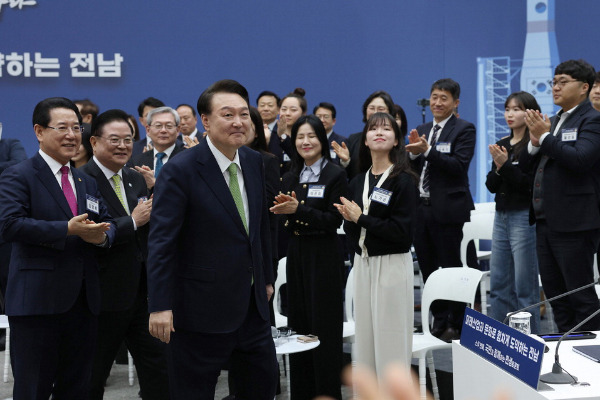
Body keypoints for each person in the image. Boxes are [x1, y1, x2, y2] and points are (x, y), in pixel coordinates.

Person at [146, 79, 278, 399]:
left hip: (252, 308)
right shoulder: (181, 170)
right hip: (199, 311)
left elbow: (260, 226)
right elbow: (162, 242)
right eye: (228, 114)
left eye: (244, 114)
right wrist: (160, 305)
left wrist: (267, 277)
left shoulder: (253, 161)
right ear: (205, 121)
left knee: (261, 387)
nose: (238, 122)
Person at [0, 97, 115, 399]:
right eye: (62, 127)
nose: (72, 135)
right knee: (33, 388)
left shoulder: (84, 179)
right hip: (37, 304)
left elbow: (106, 222)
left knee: (77, 388)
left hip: (83, 303)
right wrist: (66, 229)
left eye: (76, 127)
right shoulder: (19, 174)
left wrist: (101, 237)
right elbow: (9, 224)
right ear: (39, 131)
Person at [80, 109, 169, 399]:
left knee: (159, 373)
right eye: (114, 139)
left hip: (143, 297)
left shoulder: (137, 178)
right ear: (94, 142)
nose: (123, 146)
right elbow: (91, 231)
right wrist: (132, 221)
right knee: (91, 376)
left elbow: (154, 228)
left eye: (128, 140)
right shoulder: (81, 181)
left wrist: (160, 192)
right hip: (101, 298)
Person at [271, 115, 348, 400]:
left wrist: (298, 211)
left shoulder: (335, 175)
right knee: (298, 329)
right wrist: (290, 214)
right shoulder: (290, 175)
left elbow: (332, 221)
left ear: (322, 139)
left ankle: (327, 394)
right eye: (300, 137)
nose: (305, 142)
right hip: (297, 254)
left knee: (324, 329)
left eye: (311, 136)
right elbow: (286, 219)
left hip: (324, 254)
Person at [335, 112, 417, 376]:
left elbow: (402, 234)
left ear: (396, 140)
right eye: (373, 129)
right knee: (366, 341)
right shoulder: (358, 180)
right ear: (366, 140)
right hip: (363, 263)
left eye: (386, 129)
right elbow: (351, 228)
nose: (379, 132)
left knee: (391, 339)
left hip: (392, 264)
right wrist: (350, 219)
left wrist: (362, 218)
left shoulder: (403, 180)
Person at [523, 59, 600, 332]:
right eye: (554, 81)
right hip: (546, 222)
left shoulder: (593, 119)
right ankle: (565, 356)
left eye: (563, 82)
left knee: (580, 296)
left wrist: (544, 138)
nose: (555, 87)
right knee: (557, 296)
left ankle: (593, 357)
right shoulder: (553, 121)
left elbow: (580, 159)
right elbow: (537, 163)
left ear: (584, 88)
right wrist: (534, 144)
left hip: (575, 223)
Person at [406, 78, 476, 342]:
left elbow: (458, 166)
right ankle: (438, 318)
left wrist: (428, 151)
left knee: (451, 268)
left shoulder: (464, 129)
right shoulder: (422, 128)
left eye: (443, 98)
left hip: (449, 211)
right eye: (434, 97)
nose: (437, 102)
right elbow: (411, 168)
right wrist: (413, 155)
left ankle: (457, 323)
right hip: (420, 209)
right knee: (427, 269)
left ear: (455, 103)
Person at [485, 92, 541, 333]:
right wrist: (499, 167)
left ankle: (531, 341)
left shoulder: (534, 145)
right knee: (498, 283)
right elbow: (490, 185)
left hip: (523, 216)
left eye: (516, 109)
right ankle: (500, 337)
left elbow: (528, 185)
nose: (510, 114)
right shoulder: (503, 143)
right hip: (502, 216)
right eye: (507, 109)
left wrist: (505, 165)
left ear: (529, 112)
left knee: (525, 287)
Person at [333, 90, 395, 180]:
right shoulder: (353, 139)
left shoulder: (393, 139)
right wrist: (345, 161)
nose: (375, 112)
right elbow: (347, 174)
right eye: (371, 108)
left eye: (381, 109)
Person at [131, 106, 185, 190]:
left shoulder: (189, 159)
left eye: (169, 126)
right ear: (148, 130)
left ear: (178, 130)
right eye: (158, 126)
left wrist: (155, 184)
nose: (163, 130)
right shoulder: (137, 161)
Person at [268, 88, 307, 175]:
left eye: (293, 110)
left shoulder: (306, 138)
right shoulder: (270, 136)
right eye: (284, 109)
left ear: (304, 113)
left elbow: (301, 162)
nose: (287, 113)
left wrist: (283, 137)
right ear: (279, 111)